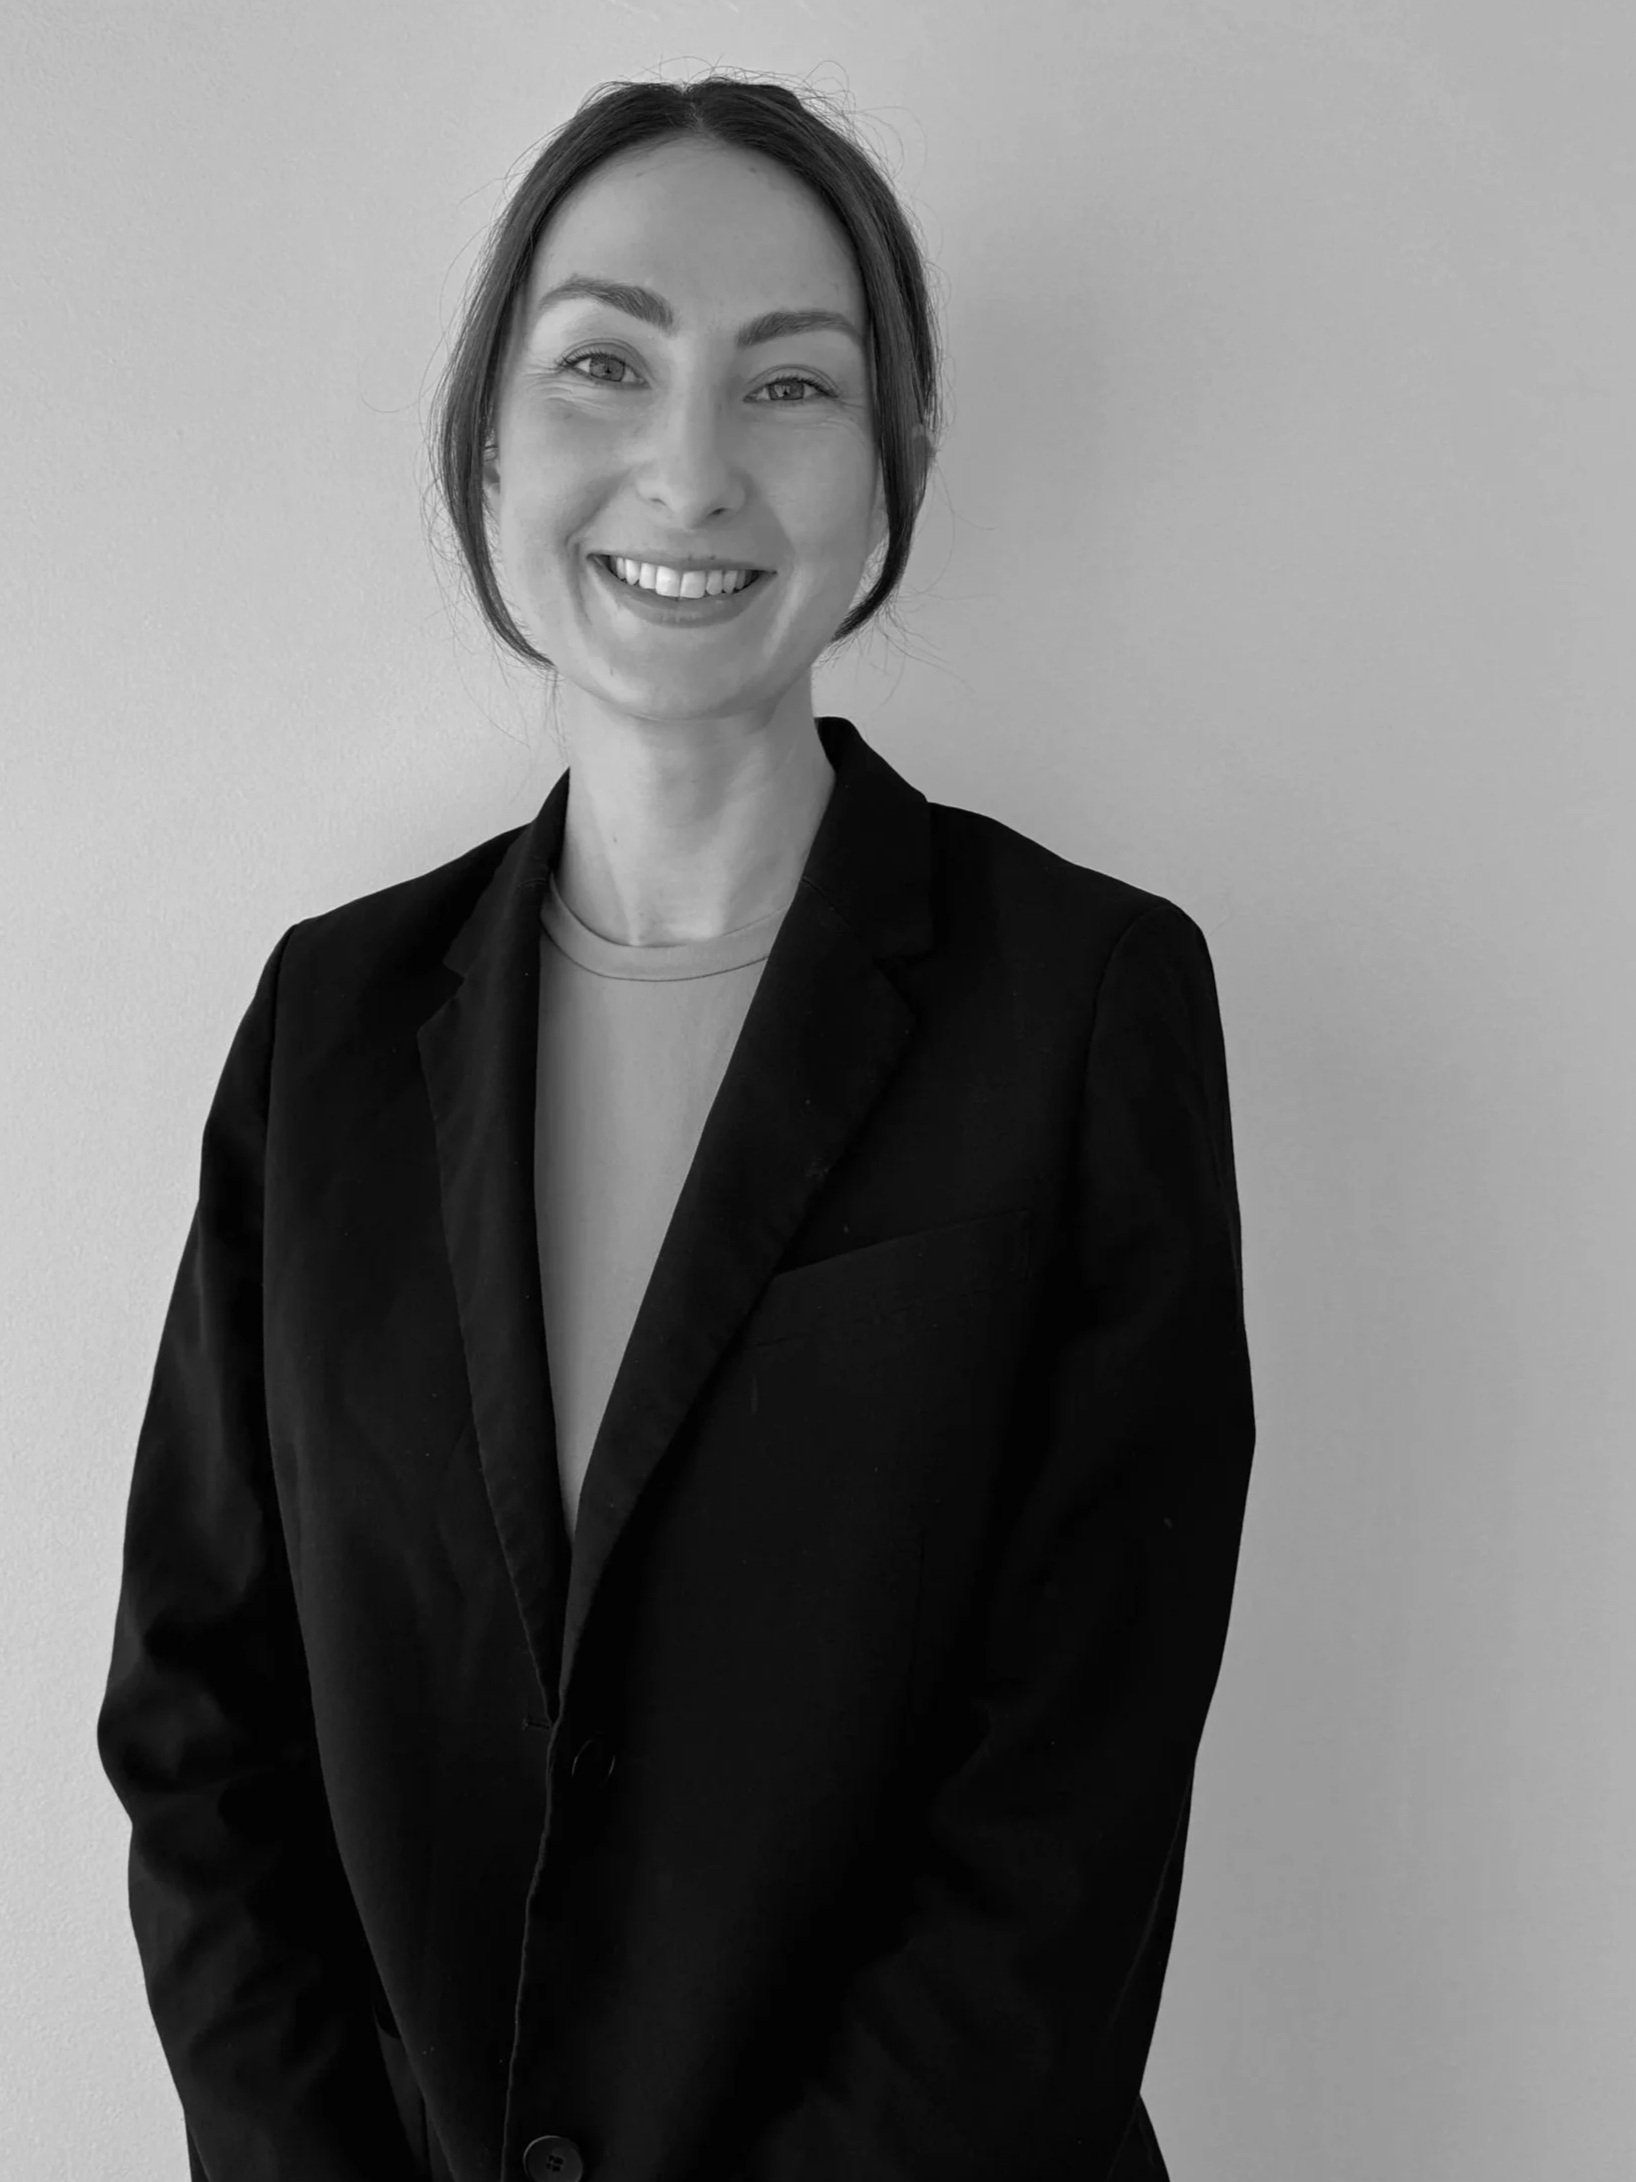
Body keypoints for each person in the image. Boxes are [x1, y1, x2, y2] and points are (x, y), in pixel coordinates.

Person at [96, 72, 1256, 2182]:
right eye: (604, 362)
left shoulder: (1082, 1004)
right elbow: (201, 1722)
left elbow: (1067, 1812)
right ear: (489, 437)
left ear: (891, 464)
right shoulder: (331, 1026)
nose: (688, 465)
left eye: (788, 386)